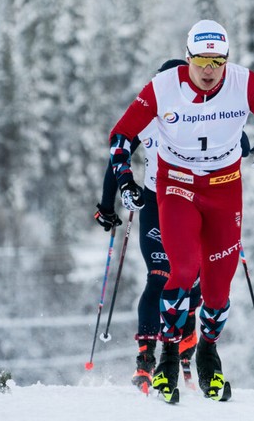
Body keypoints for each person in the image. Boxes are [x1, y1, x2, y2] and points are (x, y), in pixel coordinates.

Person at [108, 20, 254, 402]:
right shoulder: (164, 86)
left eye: (217, 61)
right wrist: (126, 181)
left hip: (225, 189)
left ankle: (209, 353)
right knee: (181, 269)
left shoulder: (244, 83)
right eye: (201, 61)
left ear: (226, 59)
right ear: (188, 57)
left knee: (217, 286)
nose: (209, 70)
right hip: (176, 185)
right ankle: (166, 357)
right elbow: (120, 136)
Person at [95, 59, 202, 392]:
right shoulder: (145, 119)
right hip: (156, 205)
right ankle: (146, 358)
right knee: (159, 277)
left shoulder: (198, 113)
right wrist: (108, 204)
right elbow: (118, 157)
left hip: (194, 205)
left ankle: (186, 339)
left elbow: (229, 144)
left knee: (192, 282)